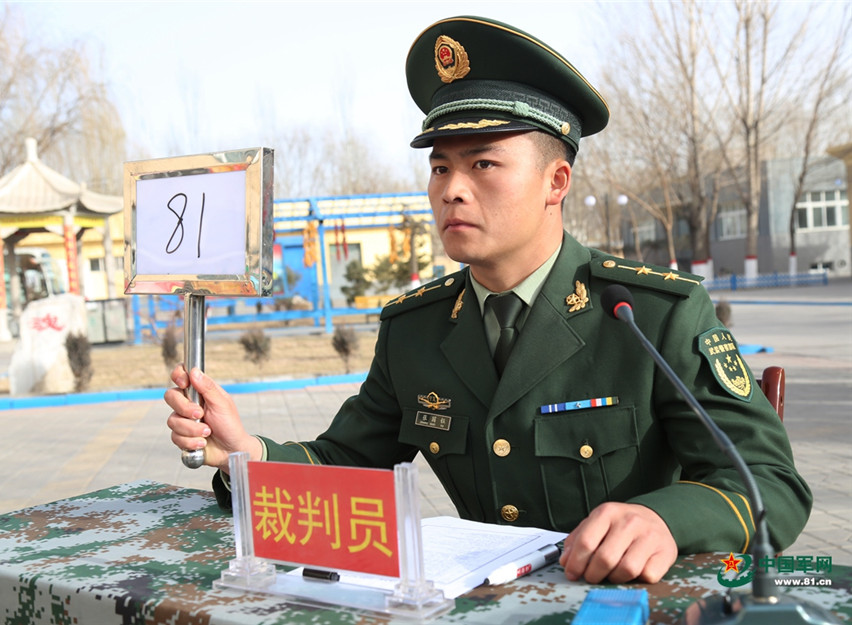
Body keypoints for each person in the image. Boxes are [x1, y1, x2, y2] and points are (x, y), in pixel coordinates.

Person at [165, 15, 811, 584]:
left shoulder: (650, 316)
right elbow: (349, 462)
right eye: (440, 167)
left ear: (556, 180)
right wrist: (246, 454)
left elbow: (770, 482)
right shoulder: (415, 330)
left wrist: (665, 519)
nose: (452, 189)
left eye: (482, 164)